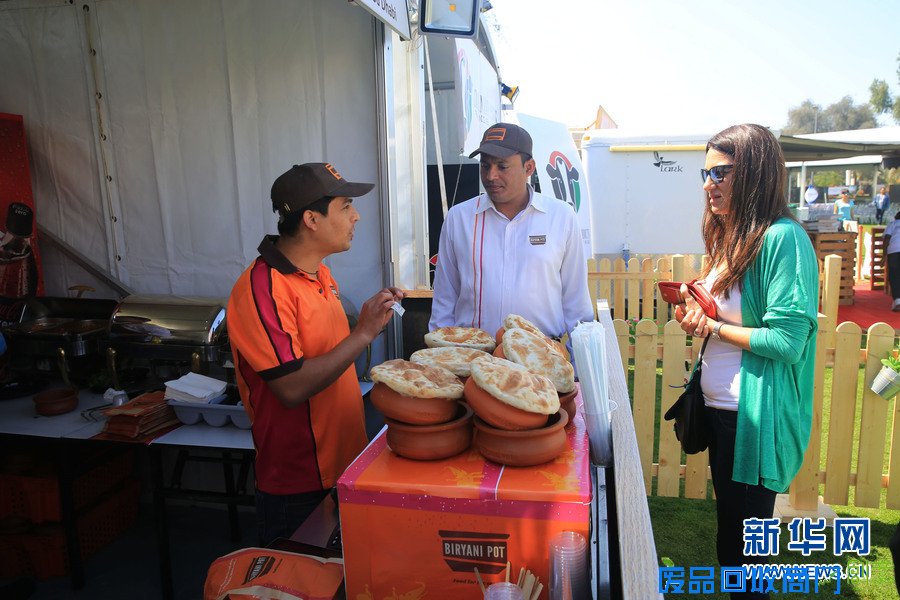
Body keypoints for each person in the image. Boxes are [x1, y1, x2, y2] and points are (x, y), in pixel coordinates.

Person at [675, 124, 819, 598]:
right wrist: (697, 310)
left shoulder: (782, 238)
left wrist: (713, 328)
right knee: (730, 544)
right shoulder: (732, 236)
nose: (708, 183)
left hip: (754, 421)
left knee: (745, 554)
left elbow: (787, 342)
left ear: (755, 173)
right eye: (705, 172)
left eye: (721, 172)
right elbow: (733, 311)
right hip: (723, 414)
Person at [227, 162, 404, 546]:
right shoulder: (262, 288)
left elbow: (331, 355)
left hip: (346, 462)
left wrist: (368, 320)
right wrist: (364, 332)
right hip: (299, 484)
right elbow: (290, 387)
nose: (356, 216)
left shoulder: (320, 274)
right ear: (311, 218)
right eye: (345, 206)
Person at [429, 122, 593, 343]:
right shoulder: (459, 219)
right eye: (485, 166)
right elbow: (444, 300)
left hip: (541, 358)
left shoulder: (561, 217)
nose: (491, 176)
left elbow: (576, 303)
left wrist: (577, 365)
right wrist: (441, 356)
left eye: (502, 166)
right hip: (473, 356)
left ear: (529, 168)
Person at [882, 211, 900, 311]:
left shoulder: (892, 224)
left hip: (893, 251)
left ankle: (898, 301)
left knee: (894, 275)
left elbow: (887, 239)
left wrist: (883, 255)